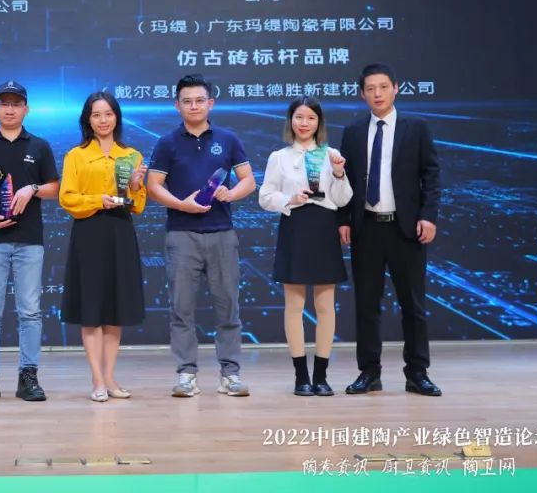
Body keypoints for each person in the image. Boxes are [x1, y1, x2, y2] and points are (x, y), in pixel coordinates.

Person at [147, 73, 256, 398]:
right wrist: (182, 204)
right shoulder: (167, 143)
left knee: (228, 307)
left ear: (211, 103)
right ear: (177, 105)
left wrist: (230, 194)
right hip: (181, 235)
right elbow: (154, 186)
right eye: (187, 101)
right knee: (181, 309)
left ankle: (230, 374)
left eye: (199, 100)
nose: (193, 106)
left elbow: (248, 180)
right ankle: (186, 374)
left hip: (222, 233)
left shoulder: (228, 138)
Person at [338, 63, 442, 397]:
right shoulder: (353, 131)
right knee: (366, 305)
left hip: (406, 228)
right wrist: (343, 219)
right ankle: (369, 373)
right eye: (370, 89)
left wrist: (428, 216)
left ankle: (418, 373)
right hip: (366, 228)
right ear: (362, 94)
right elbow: (345, 180)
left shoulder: (416, 128)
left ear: (396, 88)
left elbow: (431, 175)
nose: (378, 94)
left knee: (413, 305)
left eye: (383, 87)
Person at [0, 81, 59, 403]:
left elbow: (55, 187)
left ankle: (28, 376)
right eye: (4, 103)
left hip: (30, 239)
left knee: (30, 311)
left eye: (16, 103)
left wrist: (33, 188)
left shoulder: (40, 146)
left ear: (26, 109)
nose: (10, 109)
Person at [258, 96, 352, 396]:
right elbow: (265, 197)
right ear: (290, 121)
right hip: (295, 226)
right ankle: (301, 376)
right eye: (299, 117)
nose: (304, 123)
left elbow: (343, 199)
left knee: (325, 306)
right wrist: (290, 199)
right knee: (295, 306)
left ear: (319, 122)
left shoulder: (331, 155)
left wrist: (339, 173)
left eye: (311, 118)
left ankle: (321, 376)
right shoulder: (279, 157)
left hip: (324, 229)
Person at [59, 91, 148, 402]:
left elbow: (138, 205)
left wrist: (135, 186)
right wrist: (99, 200)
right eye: (96, 115)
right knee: (92, 309)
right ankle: (96, 380)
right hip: (89, 232)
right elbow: (67, 198)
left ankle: (110, 378)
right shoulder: (76, 155)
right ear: (88, 119)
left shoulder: (132, 155)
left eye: (108, 114)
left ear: (116, 117)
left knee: (114, 309)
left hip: (121, 232)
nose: (103, 120)